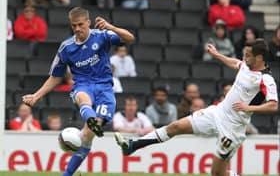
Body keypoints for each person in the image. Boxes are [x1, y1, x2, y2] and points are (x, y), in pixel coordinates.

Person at [115, 39, 278, 176]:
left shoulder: (266, 79)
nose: (244, 57)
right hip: (217, 113)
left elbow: (273, 106)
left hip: (233, 128)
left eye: (248, 55)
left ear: (259, 57)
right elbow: (236, 63)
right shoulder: (246, 65)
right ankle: (133, 145)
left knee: (217, 173)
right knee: (175, 126)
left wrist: (248, 108)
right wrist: (217, 55)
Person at [22, 7, 134, 176]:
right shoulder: (66, 48)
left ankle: (90, 127)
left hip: (105, 88)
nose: (77, 29)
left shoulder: (102, 36)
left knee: (87, 136)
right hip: (83, 85)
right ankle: (90, 119)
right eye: (74, 26)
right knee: (82, 97)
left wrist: (111, 27)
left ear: (88, 22)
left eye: (80, 24)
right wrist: (36, 96)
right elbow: (55, 77)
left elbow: (129, 38)